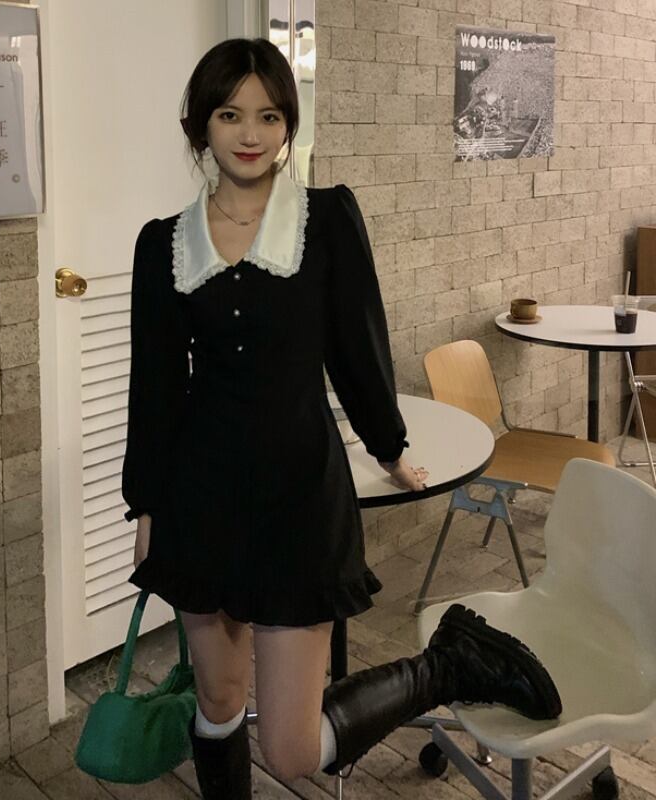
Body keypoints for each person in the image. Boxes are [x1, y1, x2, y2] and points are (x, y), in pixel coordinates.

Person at [121, 37, 561, 800]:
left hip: (298, 497)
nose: (250, 133)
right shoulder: (162, 244)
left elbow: (358, 350)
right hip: (199, 498)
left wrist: (389, 448)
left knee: (292, 750)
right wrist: (147, 506)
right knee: (218, 700)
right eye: (230, 115)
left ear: (289, 125)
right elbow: (155, 387)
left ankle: (445, 665)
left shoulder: (324, 220)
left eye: (268, 115)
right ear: (200, 125)